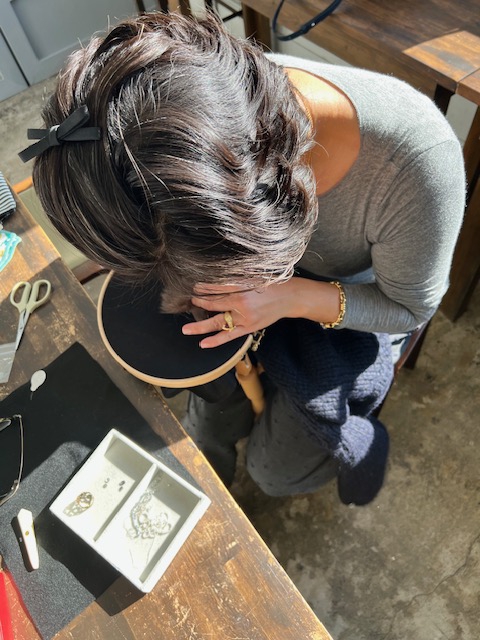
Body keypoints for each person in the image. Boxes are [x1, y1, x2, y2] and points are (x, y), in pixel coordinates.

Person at [21, 12, 465, 506]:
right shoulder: (189, 111)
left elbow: (411, 308)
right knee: (207, 420)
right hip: (264, 281)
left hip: (354, 307)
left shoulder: (416, 169)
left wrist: (289, 298)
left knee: (272, 471)